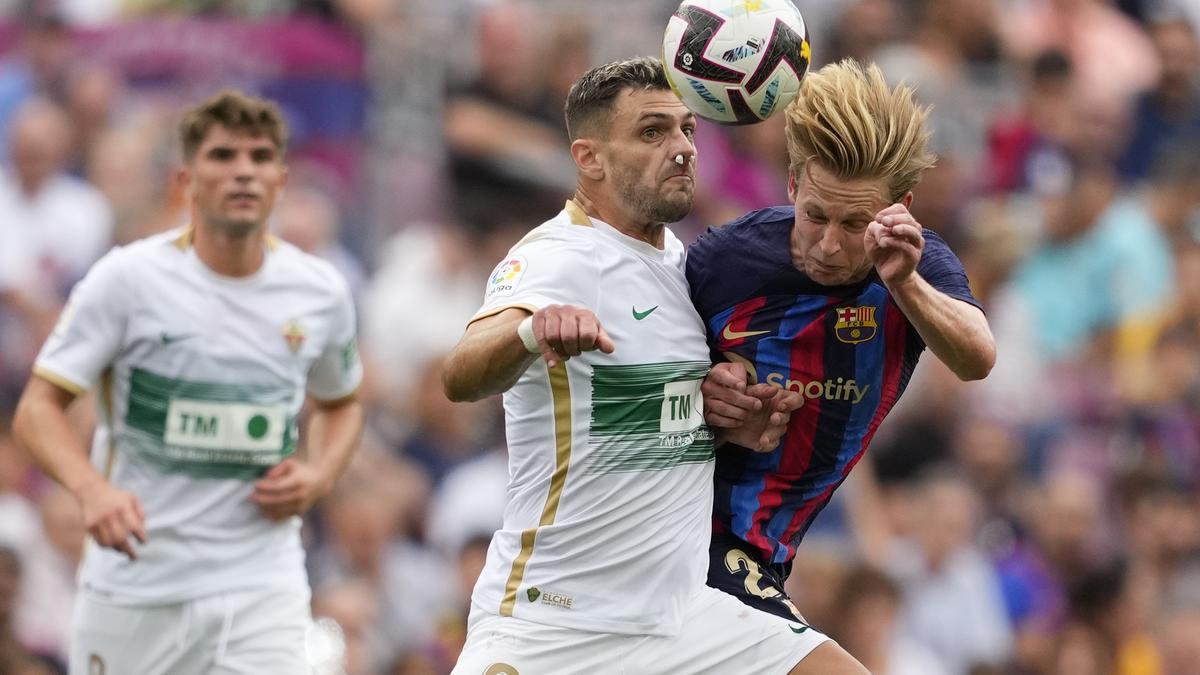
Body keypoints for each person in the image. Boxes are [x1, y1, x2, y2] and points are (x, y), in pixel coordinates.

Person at [442, 57, 867, 674]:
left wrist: (724, 415)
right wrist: (532, 331)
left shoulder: (681, 263)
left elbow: (645, 412)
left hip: (680, 619)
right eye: (651, 132)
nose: (680, 149)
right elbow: (461, 374)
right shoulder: (560, 257)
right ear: (590, 158)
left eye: (687, 130)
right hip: (555, 625)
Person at [12, 90, 364, 675]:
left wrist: (319, 475)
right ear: (186, 179)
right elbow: (36, 409)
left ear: (281, 178)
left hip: (261, 584)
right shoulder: (126, 279)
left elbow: (343, 403)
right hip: (137, 583)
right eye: (223, 156)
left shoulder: (319, 290)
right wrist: (91, 491)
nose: (243, 172)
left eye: (259, 158)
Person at [691, 60, 996, 627]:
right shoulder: (725, 260)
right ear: (792, 183)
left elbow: (976, 358)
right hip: (686, 528)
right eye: (815, 216)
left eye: (855, 224)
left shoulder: (917, 267)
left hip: (765, 555)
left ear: (899, 206)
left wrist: (903, 281)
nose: (829, 246)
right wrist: (702, 397)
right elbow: (638, 370)